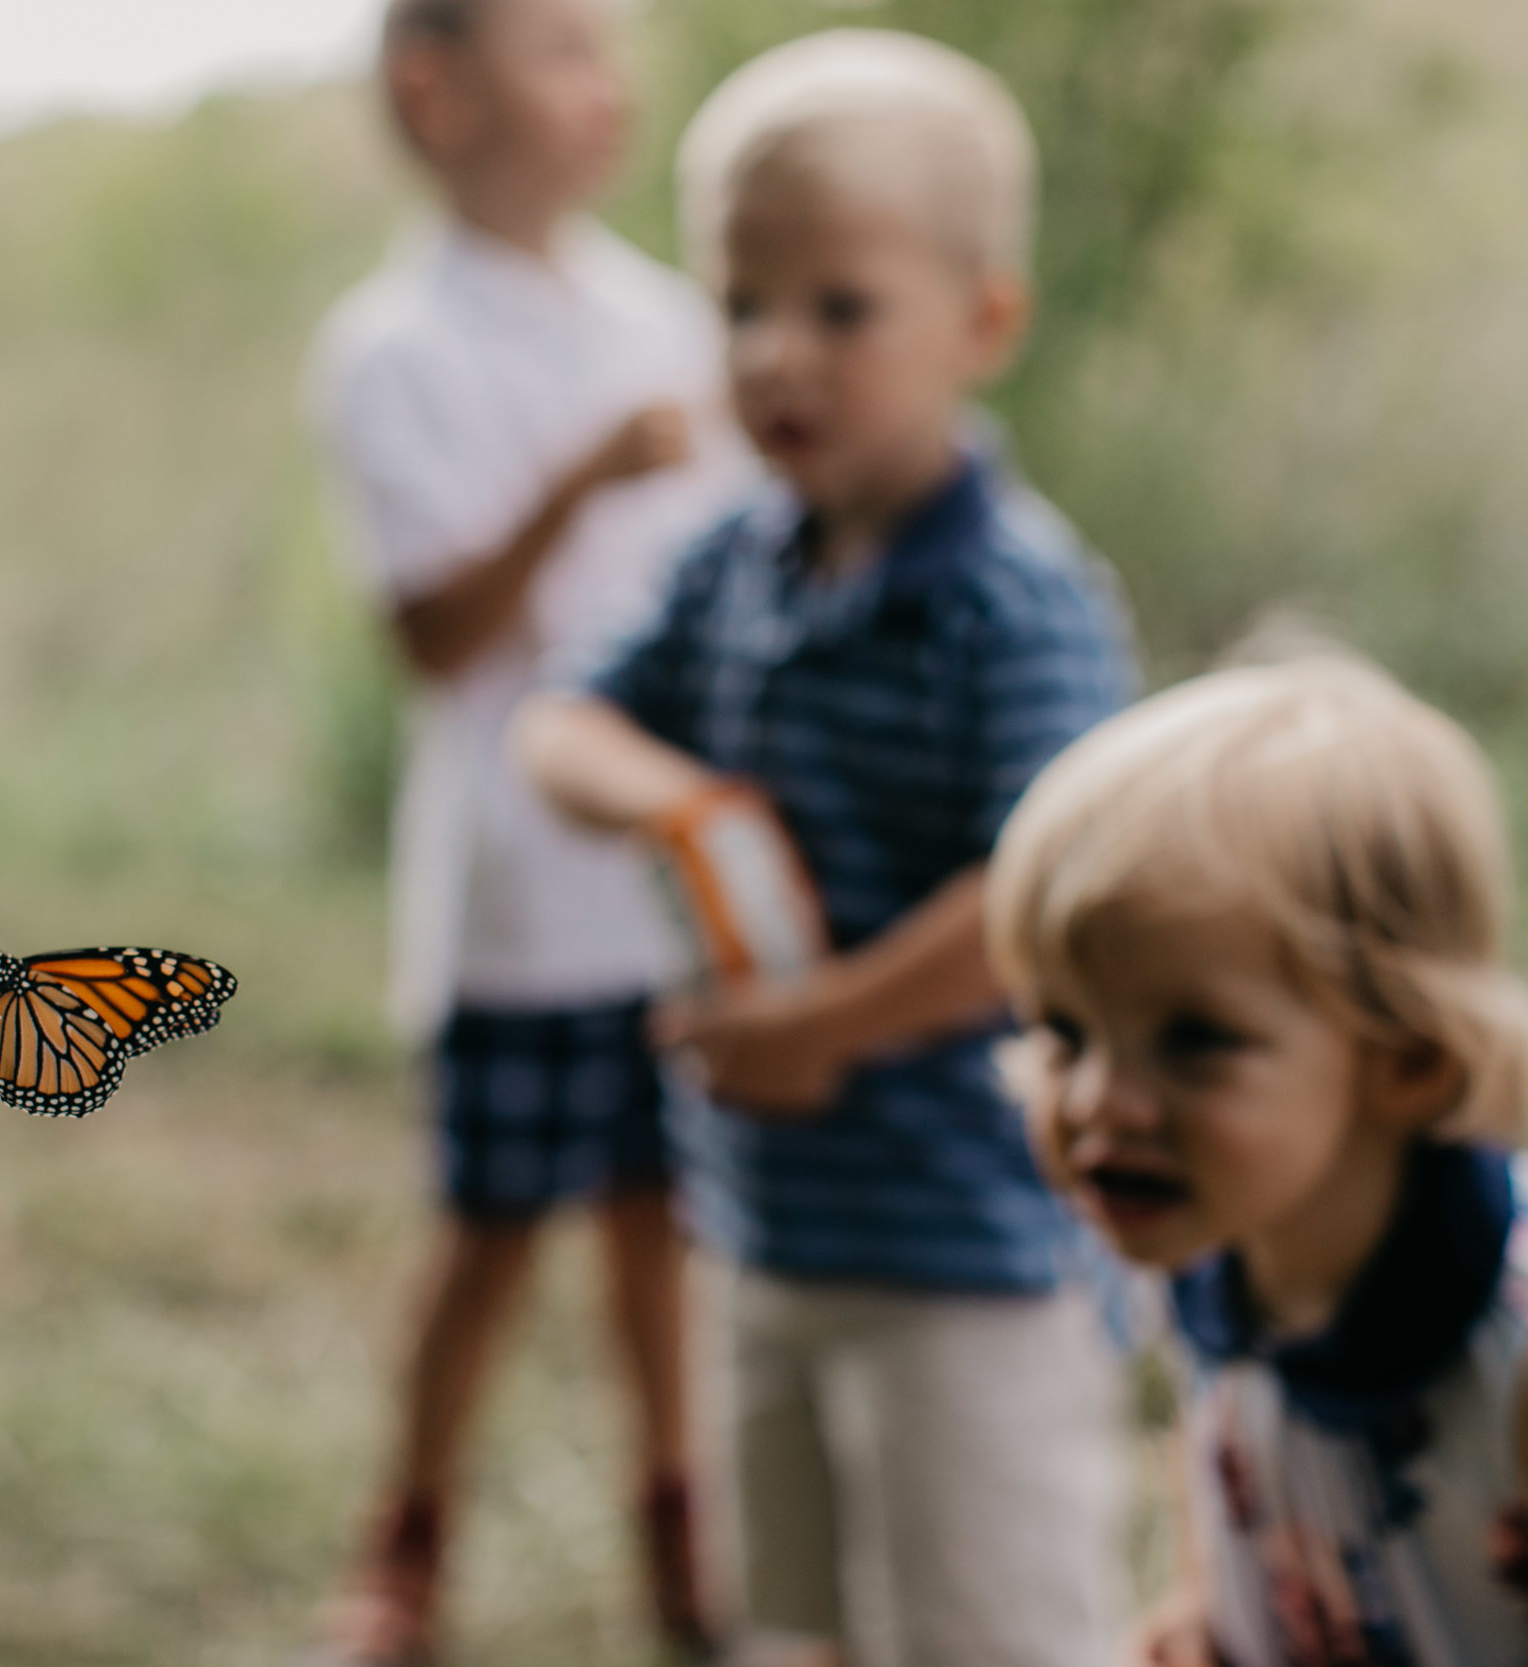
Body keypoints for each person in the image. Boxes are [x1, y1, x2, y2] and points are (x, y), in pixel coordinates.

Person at [515, 30, 1137, 1667]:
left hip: (966, 1258)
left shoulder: (1010, 595)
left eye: (841, 307)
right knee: (790, 1618)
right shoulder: (735, 557)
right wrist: (679, 800)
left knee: (983, 1623)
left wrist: (825, 1020)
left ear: (984, 320)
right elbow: (558, 722)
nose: (779, 353)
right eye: (739, 305)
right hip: (766, 1230)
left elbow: (1045, 893)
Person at [985, 652, 1528, 1666]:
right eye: (1062, 1029)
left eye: (1195, 1038)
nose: (1091, 1100)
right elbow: (1240, 1476)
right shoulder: (1217, 1236)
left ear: (1408, 1060)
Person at [303, 0, 754, 1660]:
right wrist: (584, 479)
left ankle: (680, 1520)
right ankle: (405, 1544)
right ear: (437, 92)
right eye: (560, 44)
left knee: (662, 1226)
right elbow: (434, 635)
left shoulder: (672, 319)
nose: (604, 83)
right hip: (515, 889)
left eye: (606, 45)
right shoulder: (395, 346)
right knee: (489, 1232)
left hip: (669, 878)